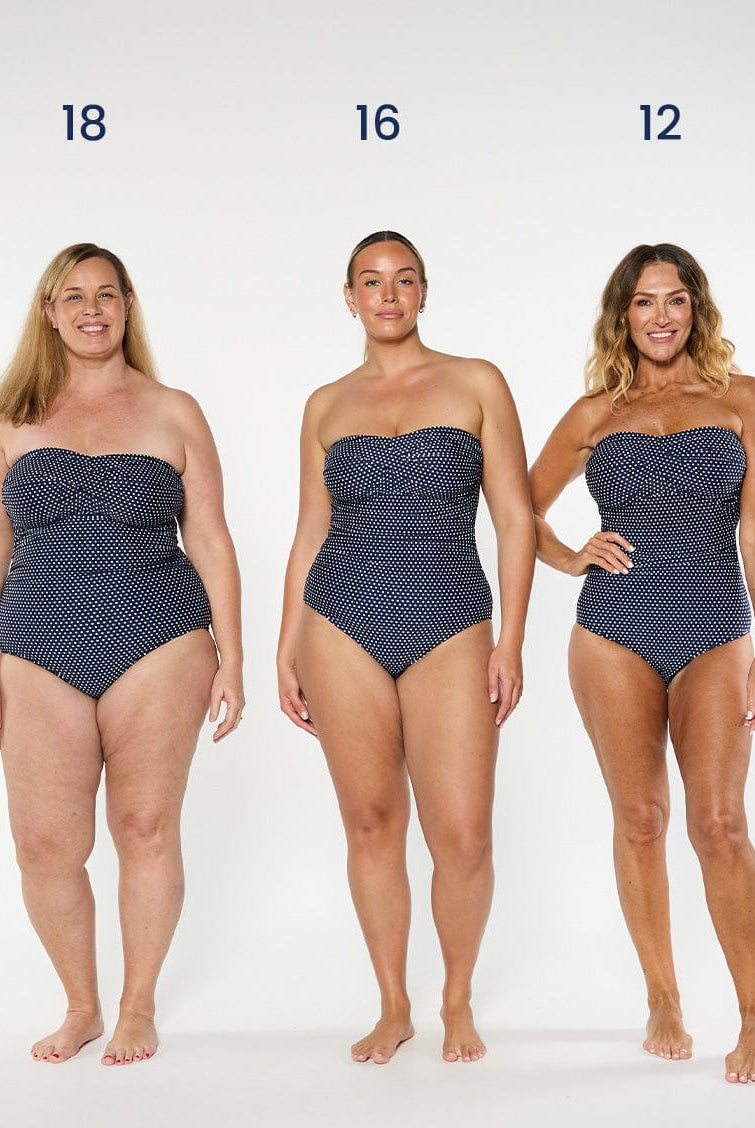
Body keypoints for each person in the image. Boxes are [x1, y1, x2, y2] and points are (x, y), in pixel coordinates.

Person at [277, 231, 534, 1064]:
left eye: (404, 280)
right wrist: (287, 647)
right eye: (370, 282)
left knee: (461, 833)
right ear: (347, 297)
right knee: (371, 822)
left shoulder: (475, 382)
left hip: (451, 620)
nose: (388, 295)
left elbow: (513, 519)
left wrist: (512, 641)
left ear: (425, 291)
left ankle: (456, 999)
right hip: (339, 622)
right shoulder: (324, 404)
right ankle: (392, 1004)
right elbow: (308, 532)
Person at [0, 243, 244, 1066]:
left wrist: (234, 657)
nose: (92, 309)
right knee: (43, 844)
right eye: (74, 297)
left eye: (107, 294)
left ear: (129, 305)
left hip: (159, 635)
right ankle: (82, 1006)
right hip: (34, 638)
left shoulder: (174, 409)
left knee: (144, 826)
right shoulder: (13, 416)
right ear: (49, 311)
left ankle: (138, 1005)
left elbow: (207, 535)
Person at [529, 243, 755, 1083]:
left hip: (715, 628)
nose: (659, 317)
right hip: (612, 633)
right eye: (642, 302)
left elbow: (754, 533)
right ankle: (661, 995)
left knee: (719, 825)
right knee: (640, 819)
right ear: (620, 315)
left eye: (674, 300)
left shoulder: (742, 401)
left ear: (695, 308)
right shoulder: (595, 412)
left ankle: (752, 1012)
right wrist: (568, 555)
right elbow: (519, 506)